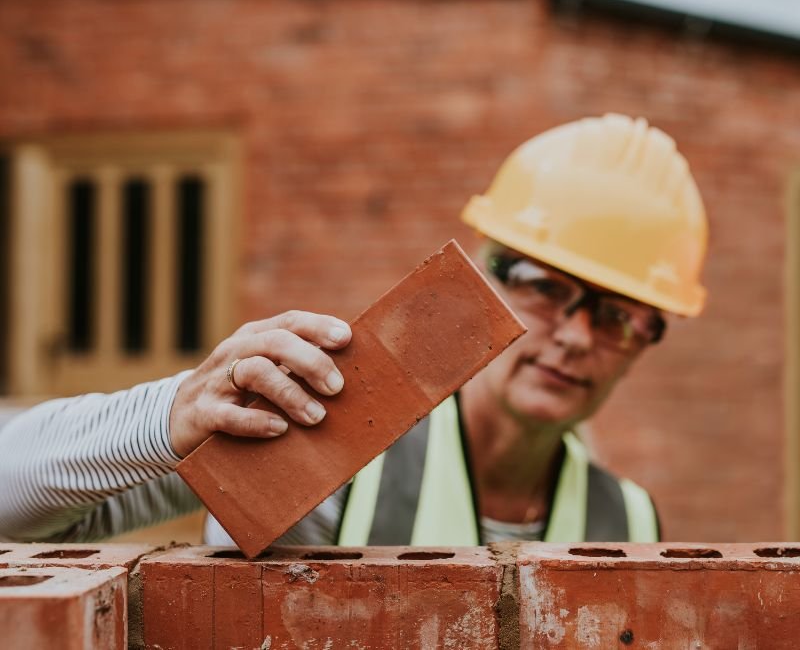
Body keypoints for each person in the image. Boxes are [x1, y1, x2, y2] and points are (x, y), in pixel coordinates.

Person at [0, 113, 707, 546]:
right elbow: (12, 503)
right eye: (548, 289)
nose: (579, 337)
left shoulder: (630, 525)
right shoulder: (339, 434)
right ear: (488, 277)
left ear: (646, 341)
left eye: (619, 315)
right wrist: (173, 414)